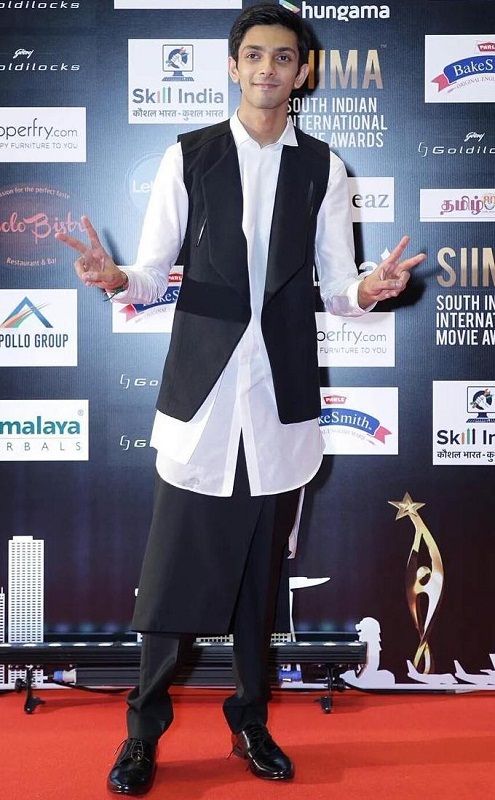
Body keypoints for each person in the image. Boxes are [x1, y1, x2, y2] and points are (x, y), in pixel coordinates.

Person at [56, 3, 426, 794]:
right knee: (169, 583)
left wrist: (373, 289)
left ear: (302, 72)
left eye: (282, 57)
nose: (266, 68)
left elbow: (337, 286)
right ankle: (141, 734)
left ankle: (250, 725)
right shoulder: (188, 155)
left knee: (259, 588)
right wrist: (114, 277)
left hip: (278, 402)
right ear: (233, 66)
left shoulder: (323, 168)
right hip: (202, 403)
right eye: (253, 54)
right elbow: (151, 271)